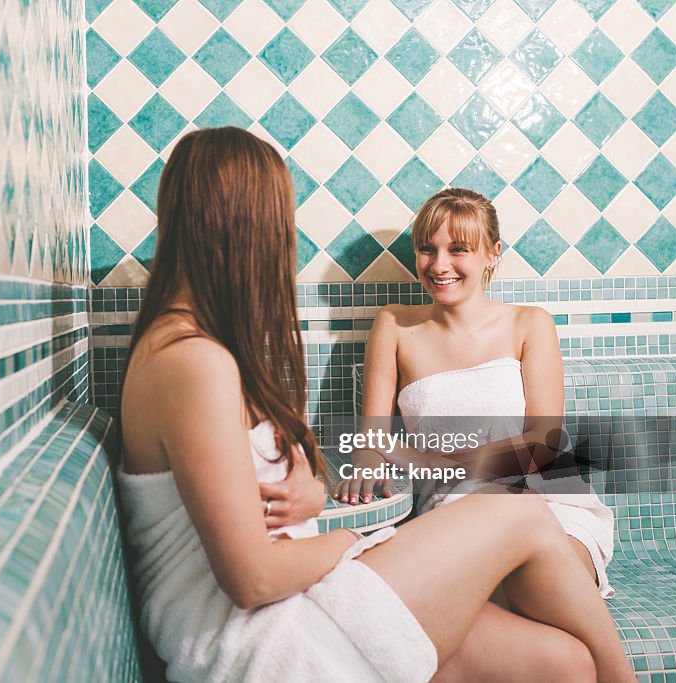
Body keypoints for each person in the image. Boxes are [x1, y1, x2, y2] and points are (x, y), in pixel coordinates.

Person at [117, 128, 635, 683]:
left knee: (568, 663)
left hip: (297, 603)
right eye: (280, 220)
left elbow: (540, 449)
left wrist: (315, 490)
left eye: (459, 249)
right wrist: (352, 539)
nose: (284, 241)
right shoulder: (193, 361)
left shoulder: (196, 346)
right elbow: (253, 578)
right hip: (268, 638)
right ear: (248, 225)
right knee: (522, 517)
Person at [333, 187, 617, 678]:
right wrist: (364, 472)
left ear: (492, 254)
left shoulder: (529, 324)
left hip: (553, 506)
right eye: (427, 248)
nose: (439, 264)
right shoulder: (395, 327)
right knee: (543, 642)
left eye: (458, 249)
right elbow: (372, 439)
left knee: (528, 579)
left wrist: (436, 464)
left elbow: (543, 448)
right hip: (452, 512)